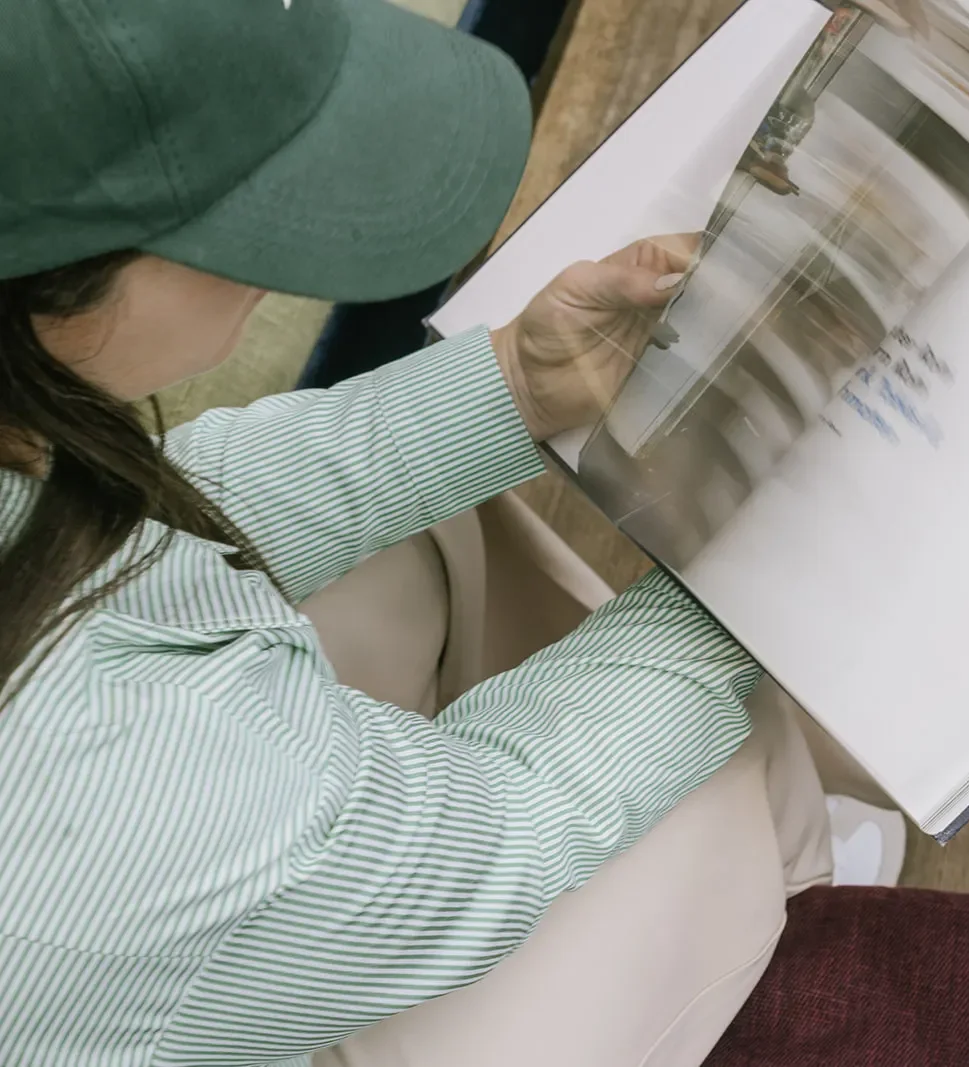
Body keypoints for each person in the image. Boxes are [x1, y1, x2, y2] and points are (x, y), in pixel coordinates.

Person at [0, 0, 906, 1064]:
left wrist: (515, 383)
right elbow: (512, 829)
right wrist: (734, 563)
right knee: (701, 786)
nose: (284, 256)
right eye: (248, 212)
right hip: (140, 868)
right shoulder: (124, 769)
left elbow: (132, 528)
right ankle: (786, 872)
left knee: (409, 547)